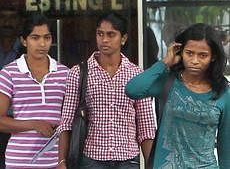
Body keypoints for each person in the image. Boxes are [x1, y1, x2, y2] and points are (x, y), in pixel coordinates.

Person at [57, 11, 155, 169]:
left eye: (111, 34)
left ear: (123, 38)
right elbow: (67, 122)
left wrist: (152, 164)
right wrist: (62, 161)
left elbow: (146, 127)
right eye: (100, 34)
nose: (104, 40)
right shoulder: (79, 72)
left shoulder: (136, 75)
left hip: (128, 160)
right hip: (91, 159)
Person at [125, 23, 230, 168]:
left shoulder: (223, 92)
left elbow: (226, 147)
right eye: (189, 53)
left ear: (213, 57)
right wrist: (164, 62)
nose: (195, 61)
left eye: (203, 55)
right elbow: (133, 89)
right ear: (180, 52)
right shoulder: (168, 81)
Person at [0, 12, 69, 168]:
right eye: (35, 38)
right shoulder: (9, 73)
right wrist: (34, 124)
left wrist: (62, 161)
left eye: (47, 37)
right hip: (19, 161)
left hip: (54, 162)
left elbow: (68, 122)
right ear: (24, 41)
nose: (42, 44)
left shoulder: (65, 73)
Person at [0, 3, 25, 169]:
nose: (7, 22)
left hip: (22, 124)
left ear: (20, 21)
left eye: (12, 17)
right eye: (3, 17)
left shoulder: (30, 48)